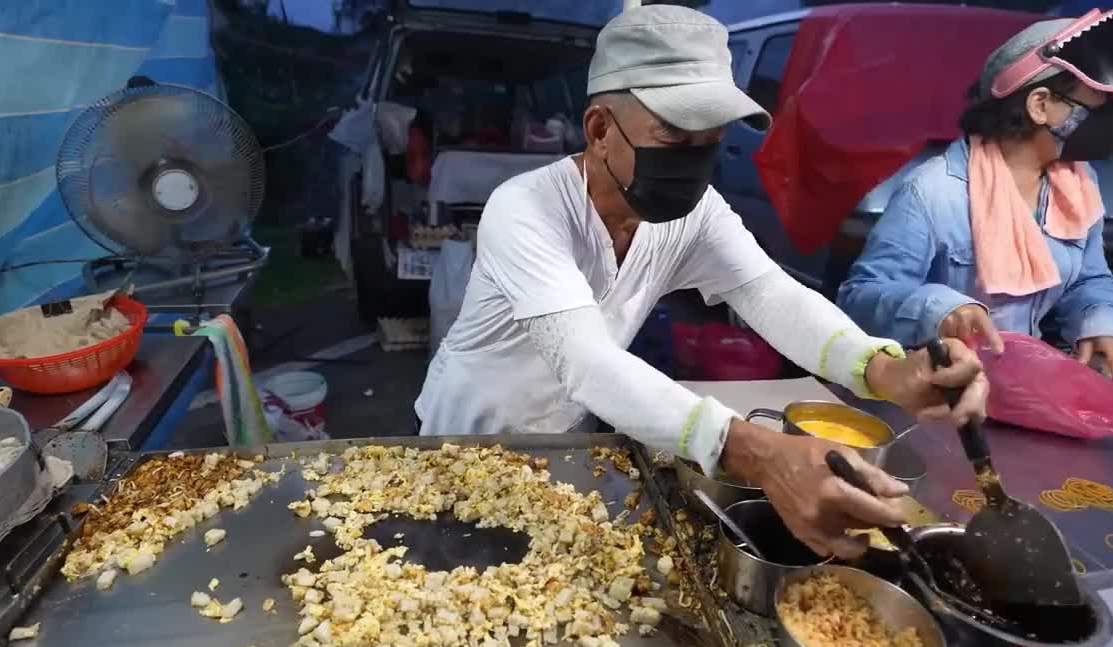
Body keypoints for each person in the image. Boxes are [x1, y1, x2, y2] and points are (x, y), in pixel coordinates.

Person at [414, 5, 989, 559]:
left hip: (566, 437)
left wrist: (882, 368)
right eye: (674, 137)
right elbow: (584, 359)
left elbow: (768, 293)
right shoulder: (525, 208)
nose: (695, 161)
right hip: (464, 442)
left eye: (710, 140)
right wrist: (757, 454)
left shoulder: (696, 213)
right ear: (599, 129)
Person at [838, 10, 1113, 390]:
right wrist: (942, 309)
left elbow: (1089, 279)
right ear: (1040, 105)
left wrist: (1105, 323)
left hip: (1024, 390)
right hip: (936, 394)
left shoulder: (1077, 184)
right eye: (1101, 103)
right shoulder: (935, 191)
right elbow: (861, 297)